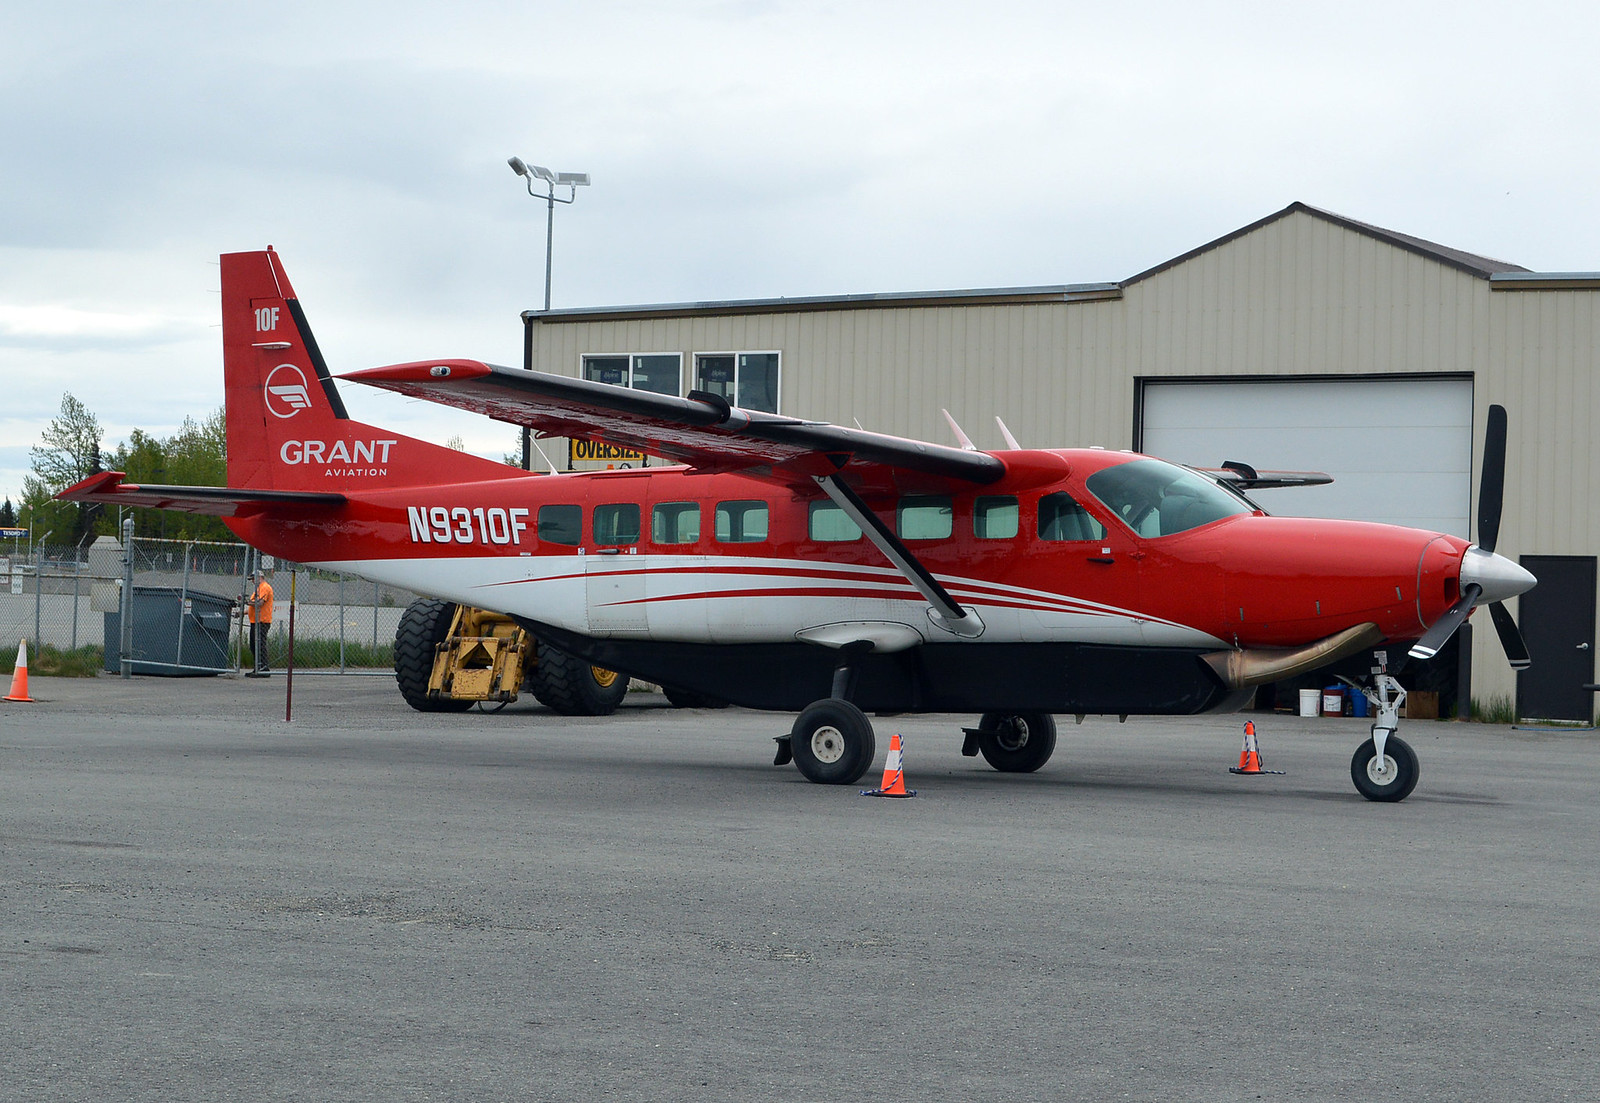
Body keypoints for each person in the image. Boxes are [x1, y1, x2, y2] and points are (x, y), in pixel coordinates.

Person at [245, 569, 274, 677]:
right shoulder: (258, 589)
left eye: (253, 579)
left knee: (259, 645)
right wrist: (242, 612)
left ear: (259, 577)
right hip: (255, 621)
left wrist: (247, 602)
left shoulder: (264, 587)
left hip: (262, 621)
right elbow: (253, 606)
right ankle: (258, 668)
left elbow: (260, 603)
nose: (252, 581)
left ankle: (263, 668)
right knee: (254, 645)